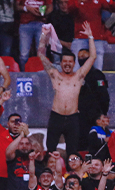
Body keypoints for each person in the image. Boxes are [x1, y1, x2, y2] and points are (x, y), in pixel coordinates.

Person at [38, 22, 96, 157]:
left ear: (74, 63)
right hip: (56, 117)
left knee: (72, 152)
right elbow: (41, 55)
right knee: (50, 150)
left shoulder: (79, 76)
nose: (67, 64)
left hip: (73, 118)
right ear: (61, 63)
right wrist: (43, 35)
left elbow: (93, 57)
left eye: (70, 62)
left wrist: (90, 37)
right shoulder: (55, 75)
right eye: (65, 61)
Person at [17, 0, 53, 69]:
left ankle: (41, 72)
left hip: (40, 23)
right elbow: (17, 6)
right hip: (25, 24)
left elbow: (50, 6)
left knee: (41, 53)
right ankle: (23, 73)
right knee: (23, 55)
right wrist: (27, 8)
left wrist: (43, 13)